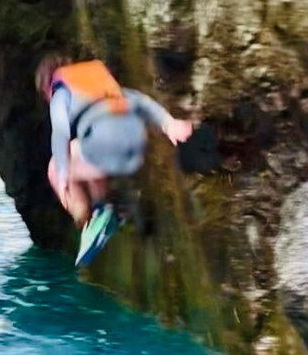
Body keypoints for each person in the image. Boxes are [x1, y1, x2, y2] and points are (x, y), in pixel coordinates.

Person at [36, 56, 193, 228]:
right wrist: (168, 123)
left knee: (55, 168)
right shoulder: (96, 80)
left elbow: (60, 133)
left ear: (46, 86)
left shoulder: (60, 92)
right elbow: (138, 99)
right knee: (82, 148)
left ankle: (84, 219)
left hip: (104, 147)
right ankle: (102, 207)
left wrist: (62, 175)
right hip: (136, 143)